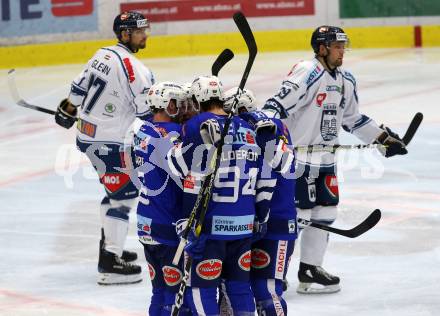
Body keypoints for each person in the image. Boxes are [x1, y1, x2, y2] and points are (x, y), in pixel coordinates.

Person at [262, 25, 408, 294]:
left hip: (326, 160)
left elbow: (353, 119)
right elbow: (277, 105)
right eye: (337, 46)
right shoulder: (308, 71)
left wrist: (382, 138)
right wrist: (263, 128)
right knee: (295, 216)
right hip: (297, 160)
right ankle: (275, 273)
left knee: (326, 212)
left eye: (343, 46)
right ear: (321, 48)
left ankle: (310, 268)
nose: (342, 51)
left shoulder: (346, 80)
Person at [54, 11, 155, 285]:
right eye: (139, 31)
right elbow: (147, 114)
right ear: (125, 34)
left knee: (114, 193)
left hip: (87, 136)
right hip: (109, 143)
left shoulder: (102, 54)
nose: (145, 35)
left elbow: (77, 88)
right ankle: (110, 263)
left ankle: (112, 247)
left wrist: (69, 109)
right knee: (123, 196)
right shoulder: (137, 70)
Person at [169, 76, 273, 315]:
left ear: (197, 99)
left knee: (200, 289)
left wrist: (176, 143)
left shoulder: (197, 124)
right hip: (244, 224)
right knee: (239, 288)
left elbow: (179, 167)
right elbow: (264, 177)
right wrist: (261, 216)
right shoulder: (247, 128)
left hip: (210, 228)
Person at [223, 88, 297, 316]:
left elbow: (270, 174)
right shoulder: (271, 126)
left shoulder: (263, 128)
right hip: (258, 222)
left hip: (275, 223)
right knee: (249, 287)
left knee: (266, 289)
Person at [133, 82, 192, 315]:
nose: (184, 108)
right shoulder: (173, 135)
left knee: (159, 291)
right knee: (176, 294)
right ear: (169, 104)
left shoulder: (142, 130)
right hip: (168, 225)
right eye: (179, 103)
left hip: (146, 222)